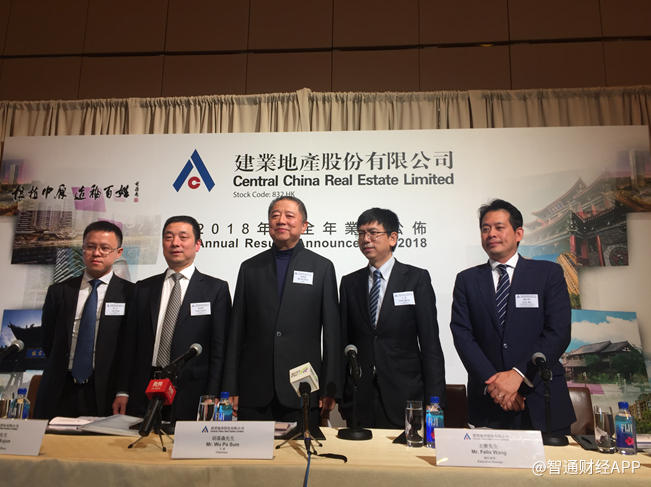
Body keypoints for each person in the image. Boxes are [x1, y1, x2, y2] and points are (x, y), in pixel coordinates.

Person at [450, 199, 576, 432]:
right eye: (485, 229)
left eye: (499, 227)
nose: (491, 234)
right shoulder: (467, 280)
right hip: (489, 403)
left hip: (541, 397)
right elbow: (462, 335)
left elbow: (558, 331)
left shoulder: (547, 273)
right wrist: (496, 386)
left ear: (519, 233)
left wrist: (518, 375)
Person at [223, 196, 340, 430]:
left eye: (289, 216)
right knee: (252, 452)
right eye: (275, 215)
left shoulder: (322, 267)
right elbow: (236, 331)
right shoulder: (250, 268)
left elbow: (332, 335)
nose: (281, 221)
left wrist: (329, 386)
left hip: (303, 388)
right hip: (254, 388)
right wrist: (230, 386)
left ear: (304, 225)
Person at [113, 216, 231, 421]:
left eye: (183, 237)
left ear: (197, 245)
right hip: (145, 387)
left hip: (192, 389)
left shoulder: (215, 289)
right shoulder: (143, 288)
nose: (175, 243)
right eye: (168, 237)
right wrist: (123, 390)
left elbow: (219, 350)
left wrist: (213, 395)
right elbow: (130, 344)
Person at [339, 208, 446, 428]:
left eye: (373, 233)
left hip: (404, 396)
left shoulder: (416, 279)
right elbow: (344, 342)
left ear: (392, 238)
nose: (365, 239)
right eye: (361, 233)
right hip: (360, 398)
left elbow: (430, 345)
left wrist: (434, 402)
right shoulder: (350, 283)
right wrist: (341, 395)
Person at [34, 221, 134, 419]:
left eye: (105, 248)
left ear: (118, 252)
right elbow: (48, 341)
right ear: (83, 249)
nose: (96, 253)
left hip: (104, 390)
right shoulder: (59, 291)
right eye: (90, 246)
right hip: (60, 388)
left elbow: (130, 348)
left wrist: (123, 390)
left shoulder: (130, 293)